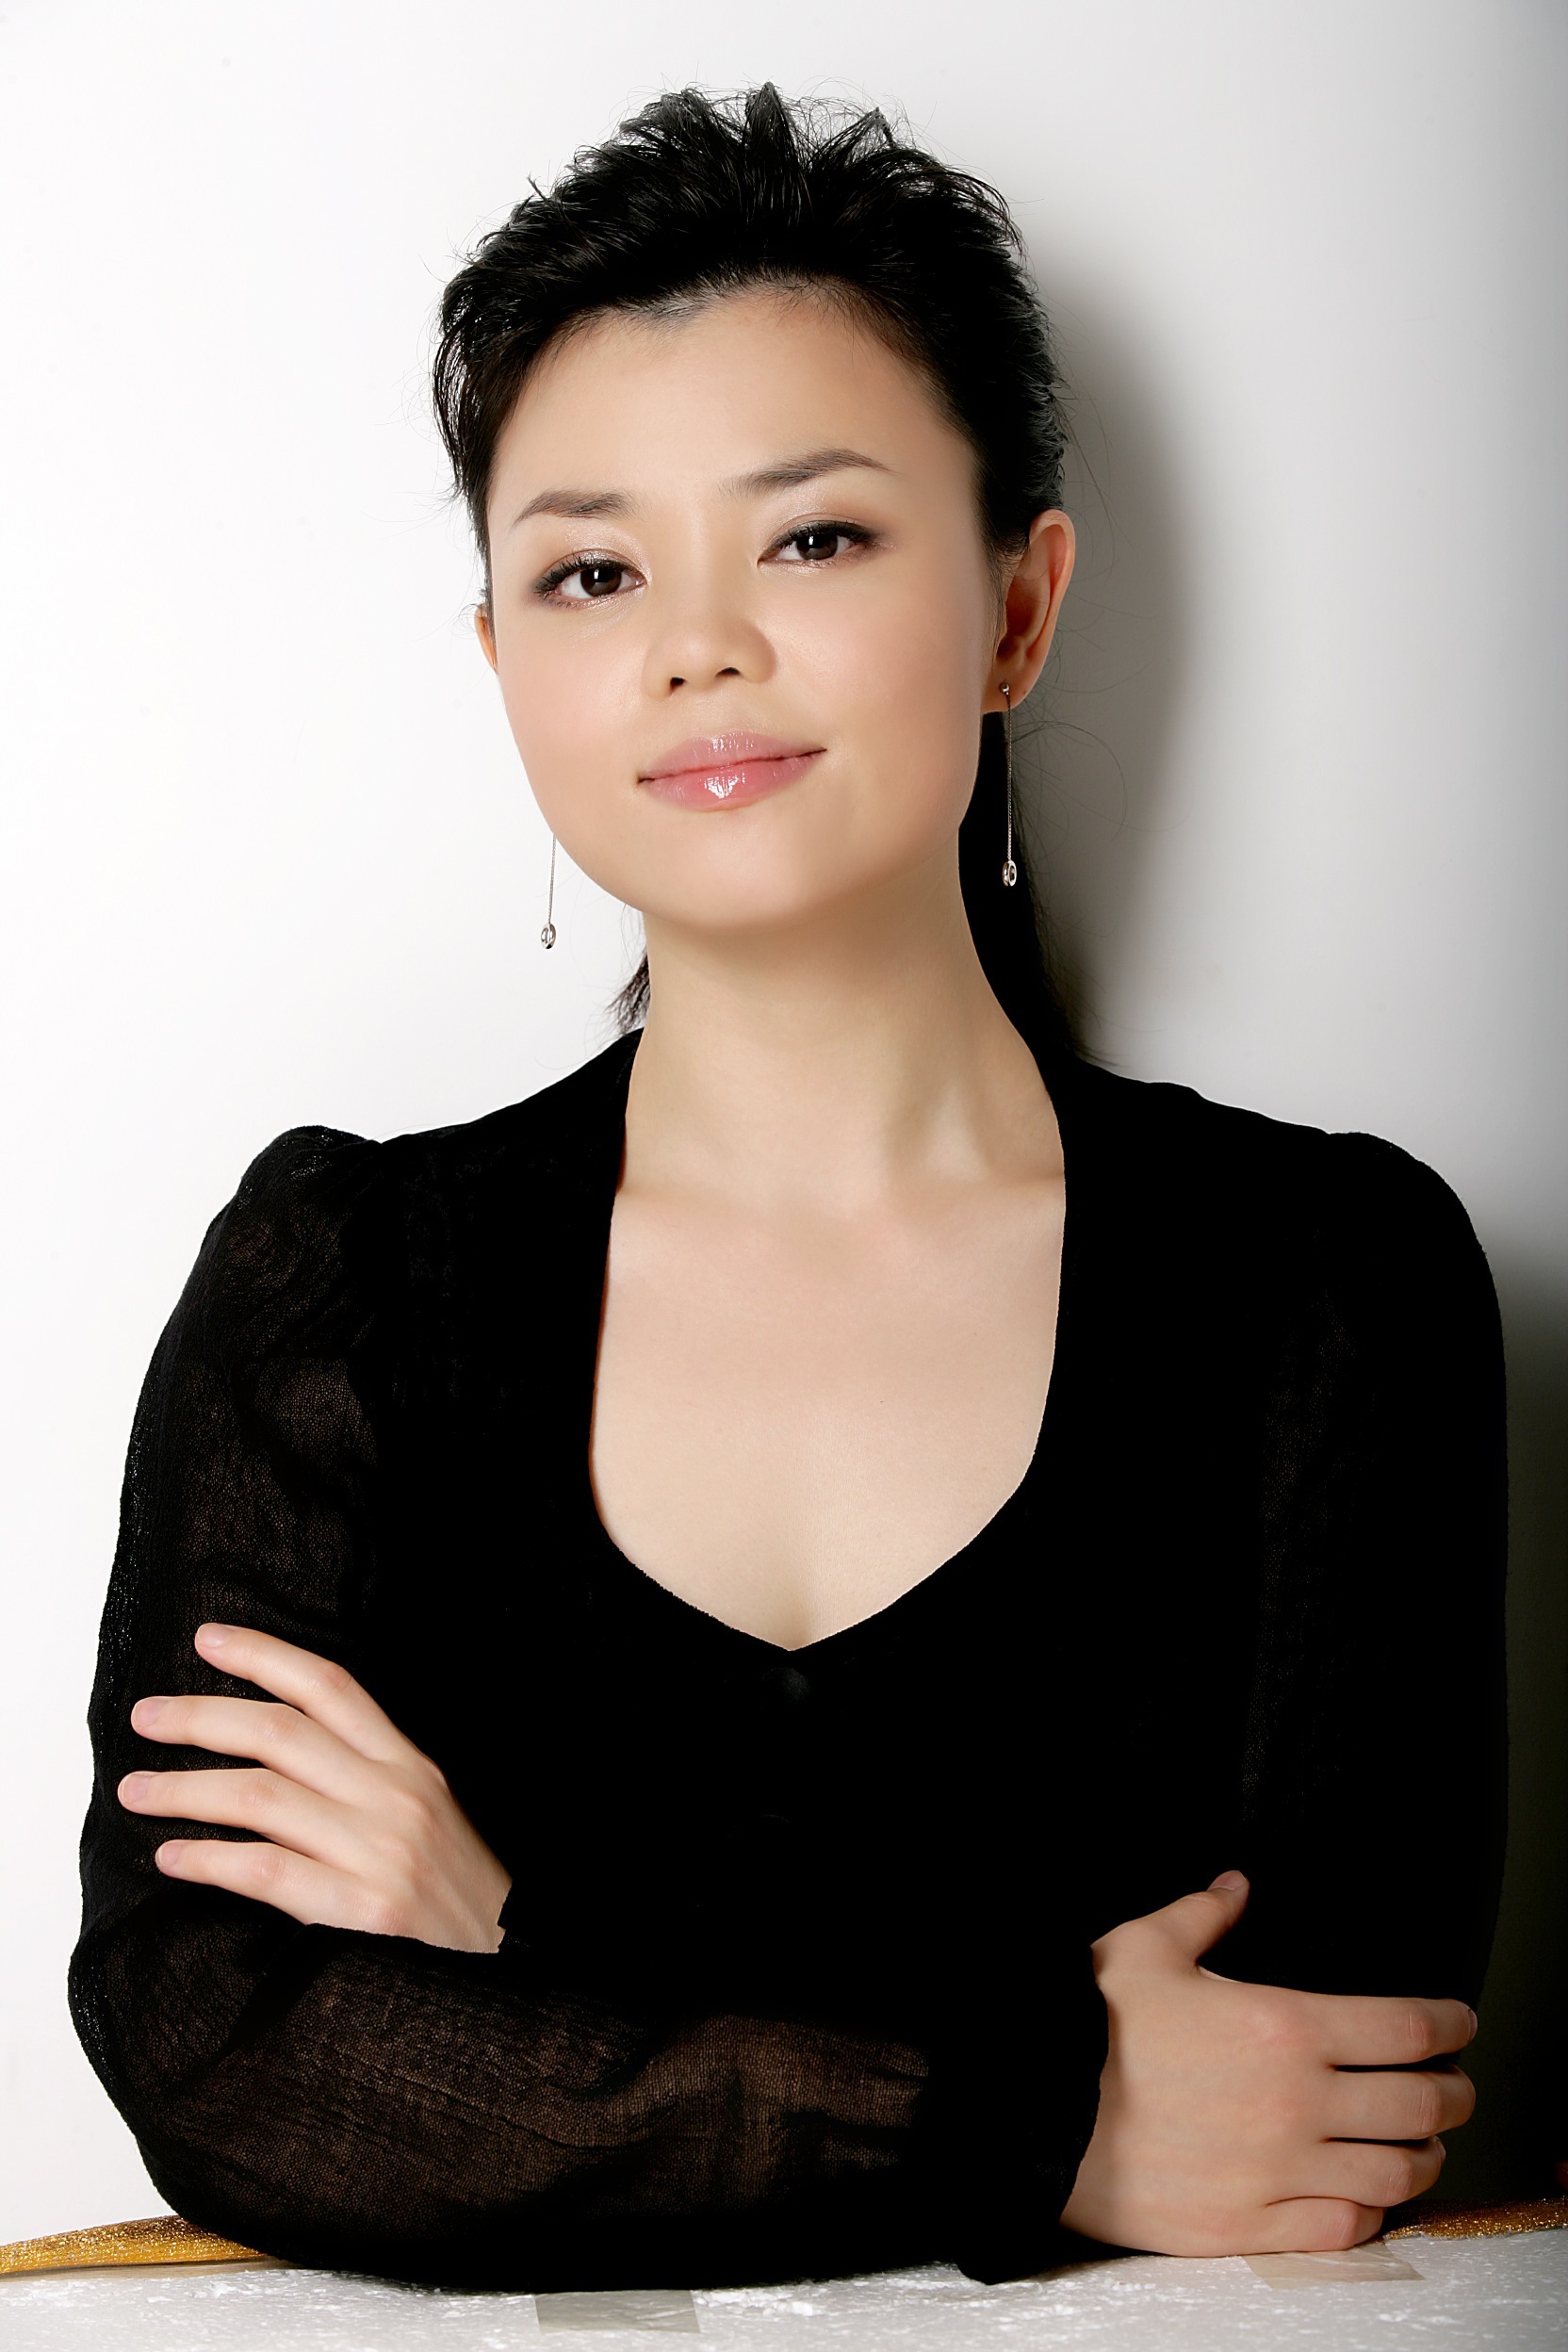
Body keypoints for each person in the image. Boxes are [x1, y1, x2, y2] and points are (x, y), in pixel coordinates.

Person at [70, 85, 1507, 2293]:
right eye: (591, 570)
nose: (696, 644)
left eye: (812, 538)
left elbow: (1317, 2093)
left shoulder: (1327, 1276)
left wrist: (523, 1932)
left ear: (1019, 606)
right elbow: (226, 2057)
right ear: (503, 666)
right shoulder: (341, 1284)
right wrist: (1043, 2107)